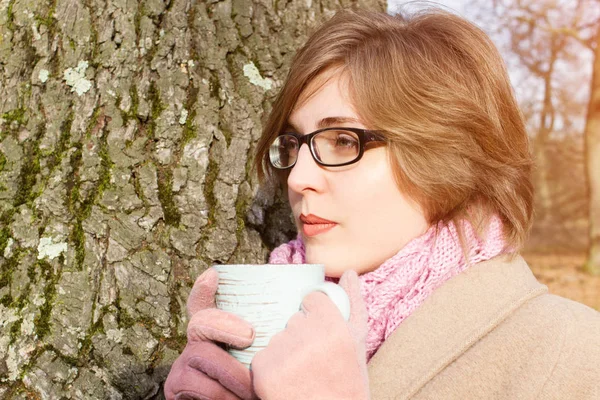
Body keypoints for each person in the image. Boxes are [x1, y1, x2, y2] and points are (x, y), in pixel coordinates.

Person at [164, 7, 600, 400]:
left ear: (448, 158)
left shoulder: (572, 355)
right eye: (295, 143)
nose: (297, 178)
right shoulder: (271, 323)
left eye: (343, 140)